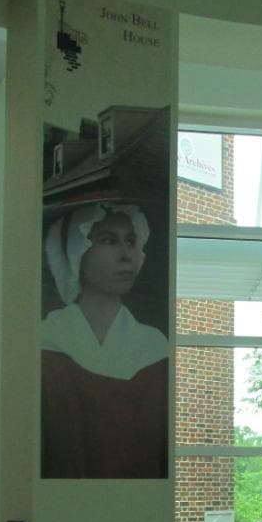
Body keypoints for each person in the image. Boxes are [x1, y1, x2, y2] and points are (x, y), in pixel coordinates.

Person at [40, 201, 168, 478]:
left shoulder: (154, 347)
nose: (126, 254)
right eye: (109, 240)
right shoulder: (47, 339)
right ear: (77, 253)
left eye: (131, 241)